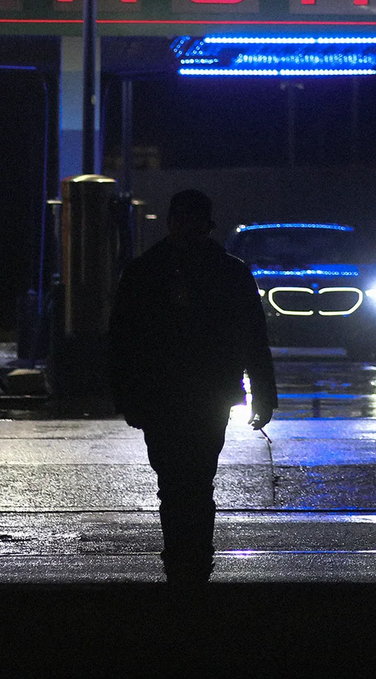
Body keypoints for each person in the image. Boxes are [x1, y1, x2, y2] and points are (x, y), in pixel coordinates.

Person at [108, 189, 277, 584]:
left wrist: (127, 397)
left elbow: (122, 341)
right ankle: (195, 559)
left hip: (163, 394)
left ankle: (182, 559)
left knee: (173, 481)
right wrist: (263, 395)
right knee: (198, 480)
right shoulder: (230, 272)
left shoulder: (144, 271)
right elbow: (253, 339)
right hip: (208, 392)